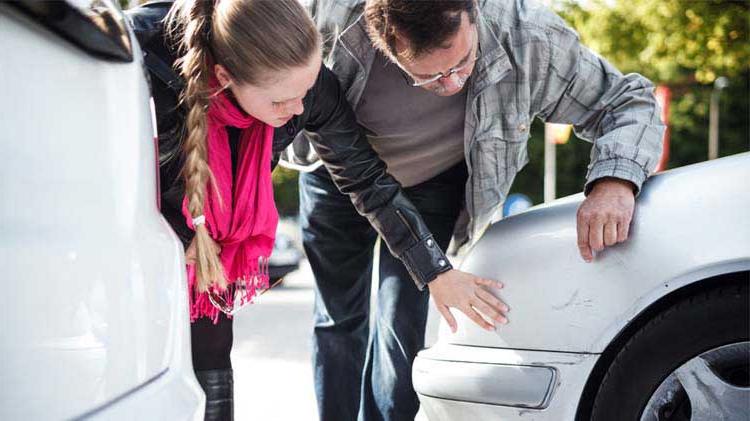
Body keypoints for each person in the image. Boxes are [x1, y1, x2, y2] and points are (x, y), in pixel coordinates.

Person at [127, 1, 509, 420]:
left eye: (304, 92)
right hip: (133, 239)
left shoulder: (307, 90)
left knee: (213, 346)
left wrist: (435, 269)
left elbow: (366, 180)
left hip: (208, 253)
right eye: (281, 102)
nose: (297, 111)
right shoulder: (139, 64)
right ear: (224, 79)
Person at [299, 0, 666, 420]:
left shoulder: (527, 35)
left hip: (431, 182)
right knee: (338, 320)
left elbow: (628, 101)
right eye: (430, 77)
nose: (453, 83)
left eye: (462, 62)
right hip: (336, 174)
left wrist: (614, 182)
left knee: (401, 321)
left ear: (472, 13)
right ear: (389, 40)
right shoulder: (330, 16)